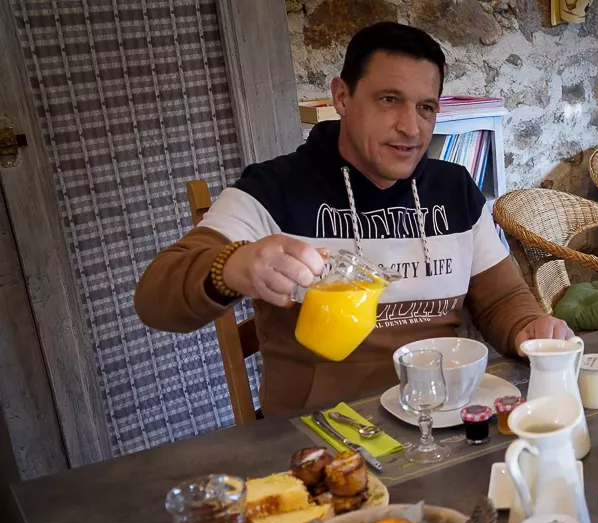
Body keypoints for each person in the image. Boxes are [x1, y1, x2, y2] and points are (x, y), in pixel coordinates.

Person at [135, 21, 571, 415]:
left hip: (440, 416)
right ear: (342, 97)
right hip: (319, 431)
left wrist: (530, 326)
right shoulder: (273, 190)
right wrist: (230, 267)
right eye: (389, 100)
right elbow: (156, 299)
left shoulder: (454, 189)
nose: (411, 128)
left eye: (426, 108)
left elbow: (500, 301)